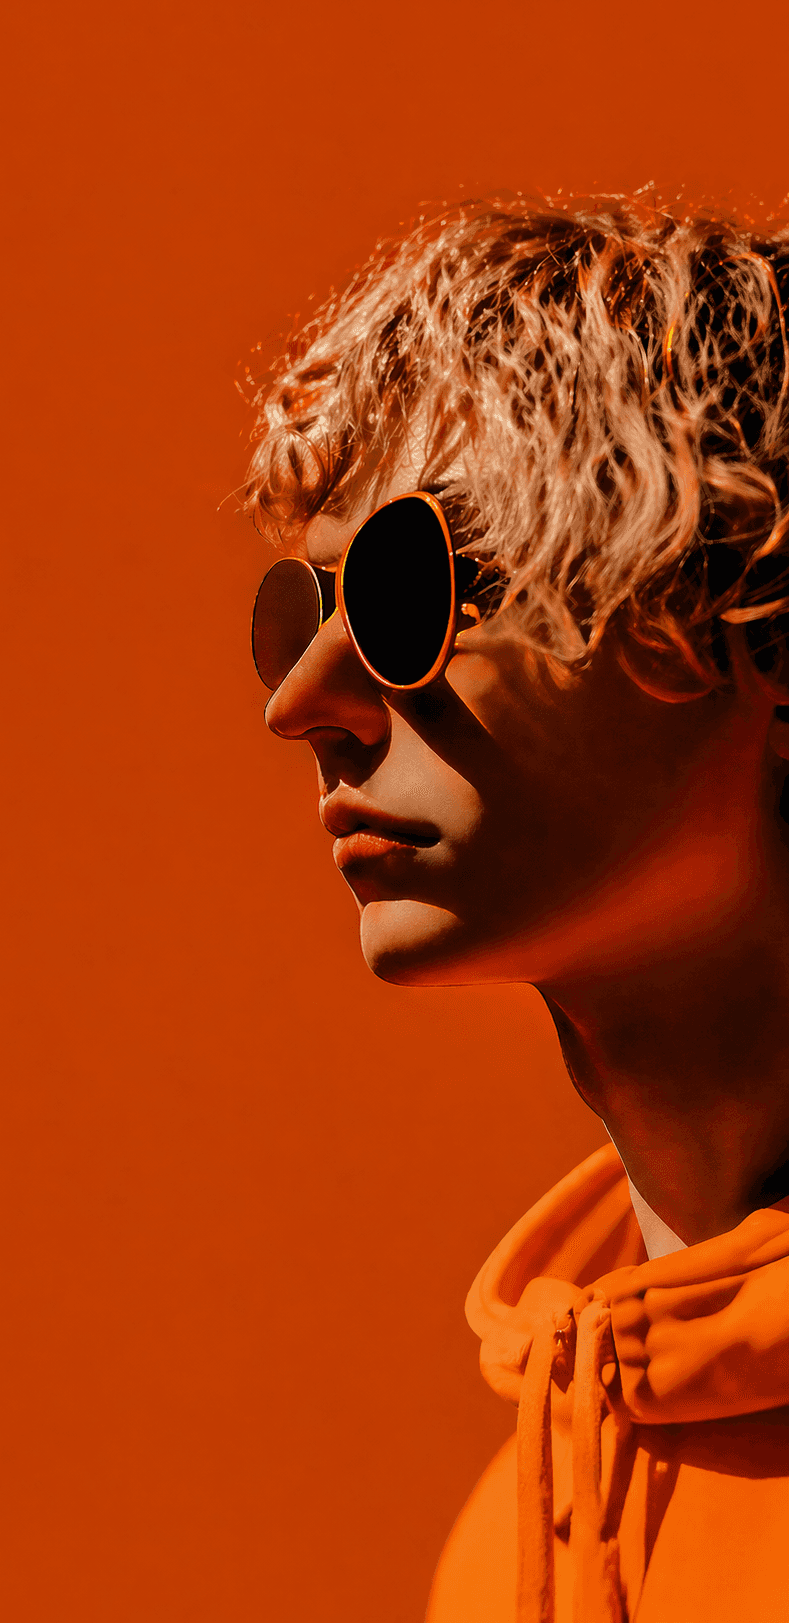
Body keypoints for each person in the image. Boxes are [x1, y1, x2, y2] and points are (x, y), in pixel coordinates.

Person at [243, 197, 789, 1622]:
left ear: (763, 623)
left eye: (409, 586)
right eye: (296, 614)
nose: (304, 702)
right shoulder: (510, 1540)